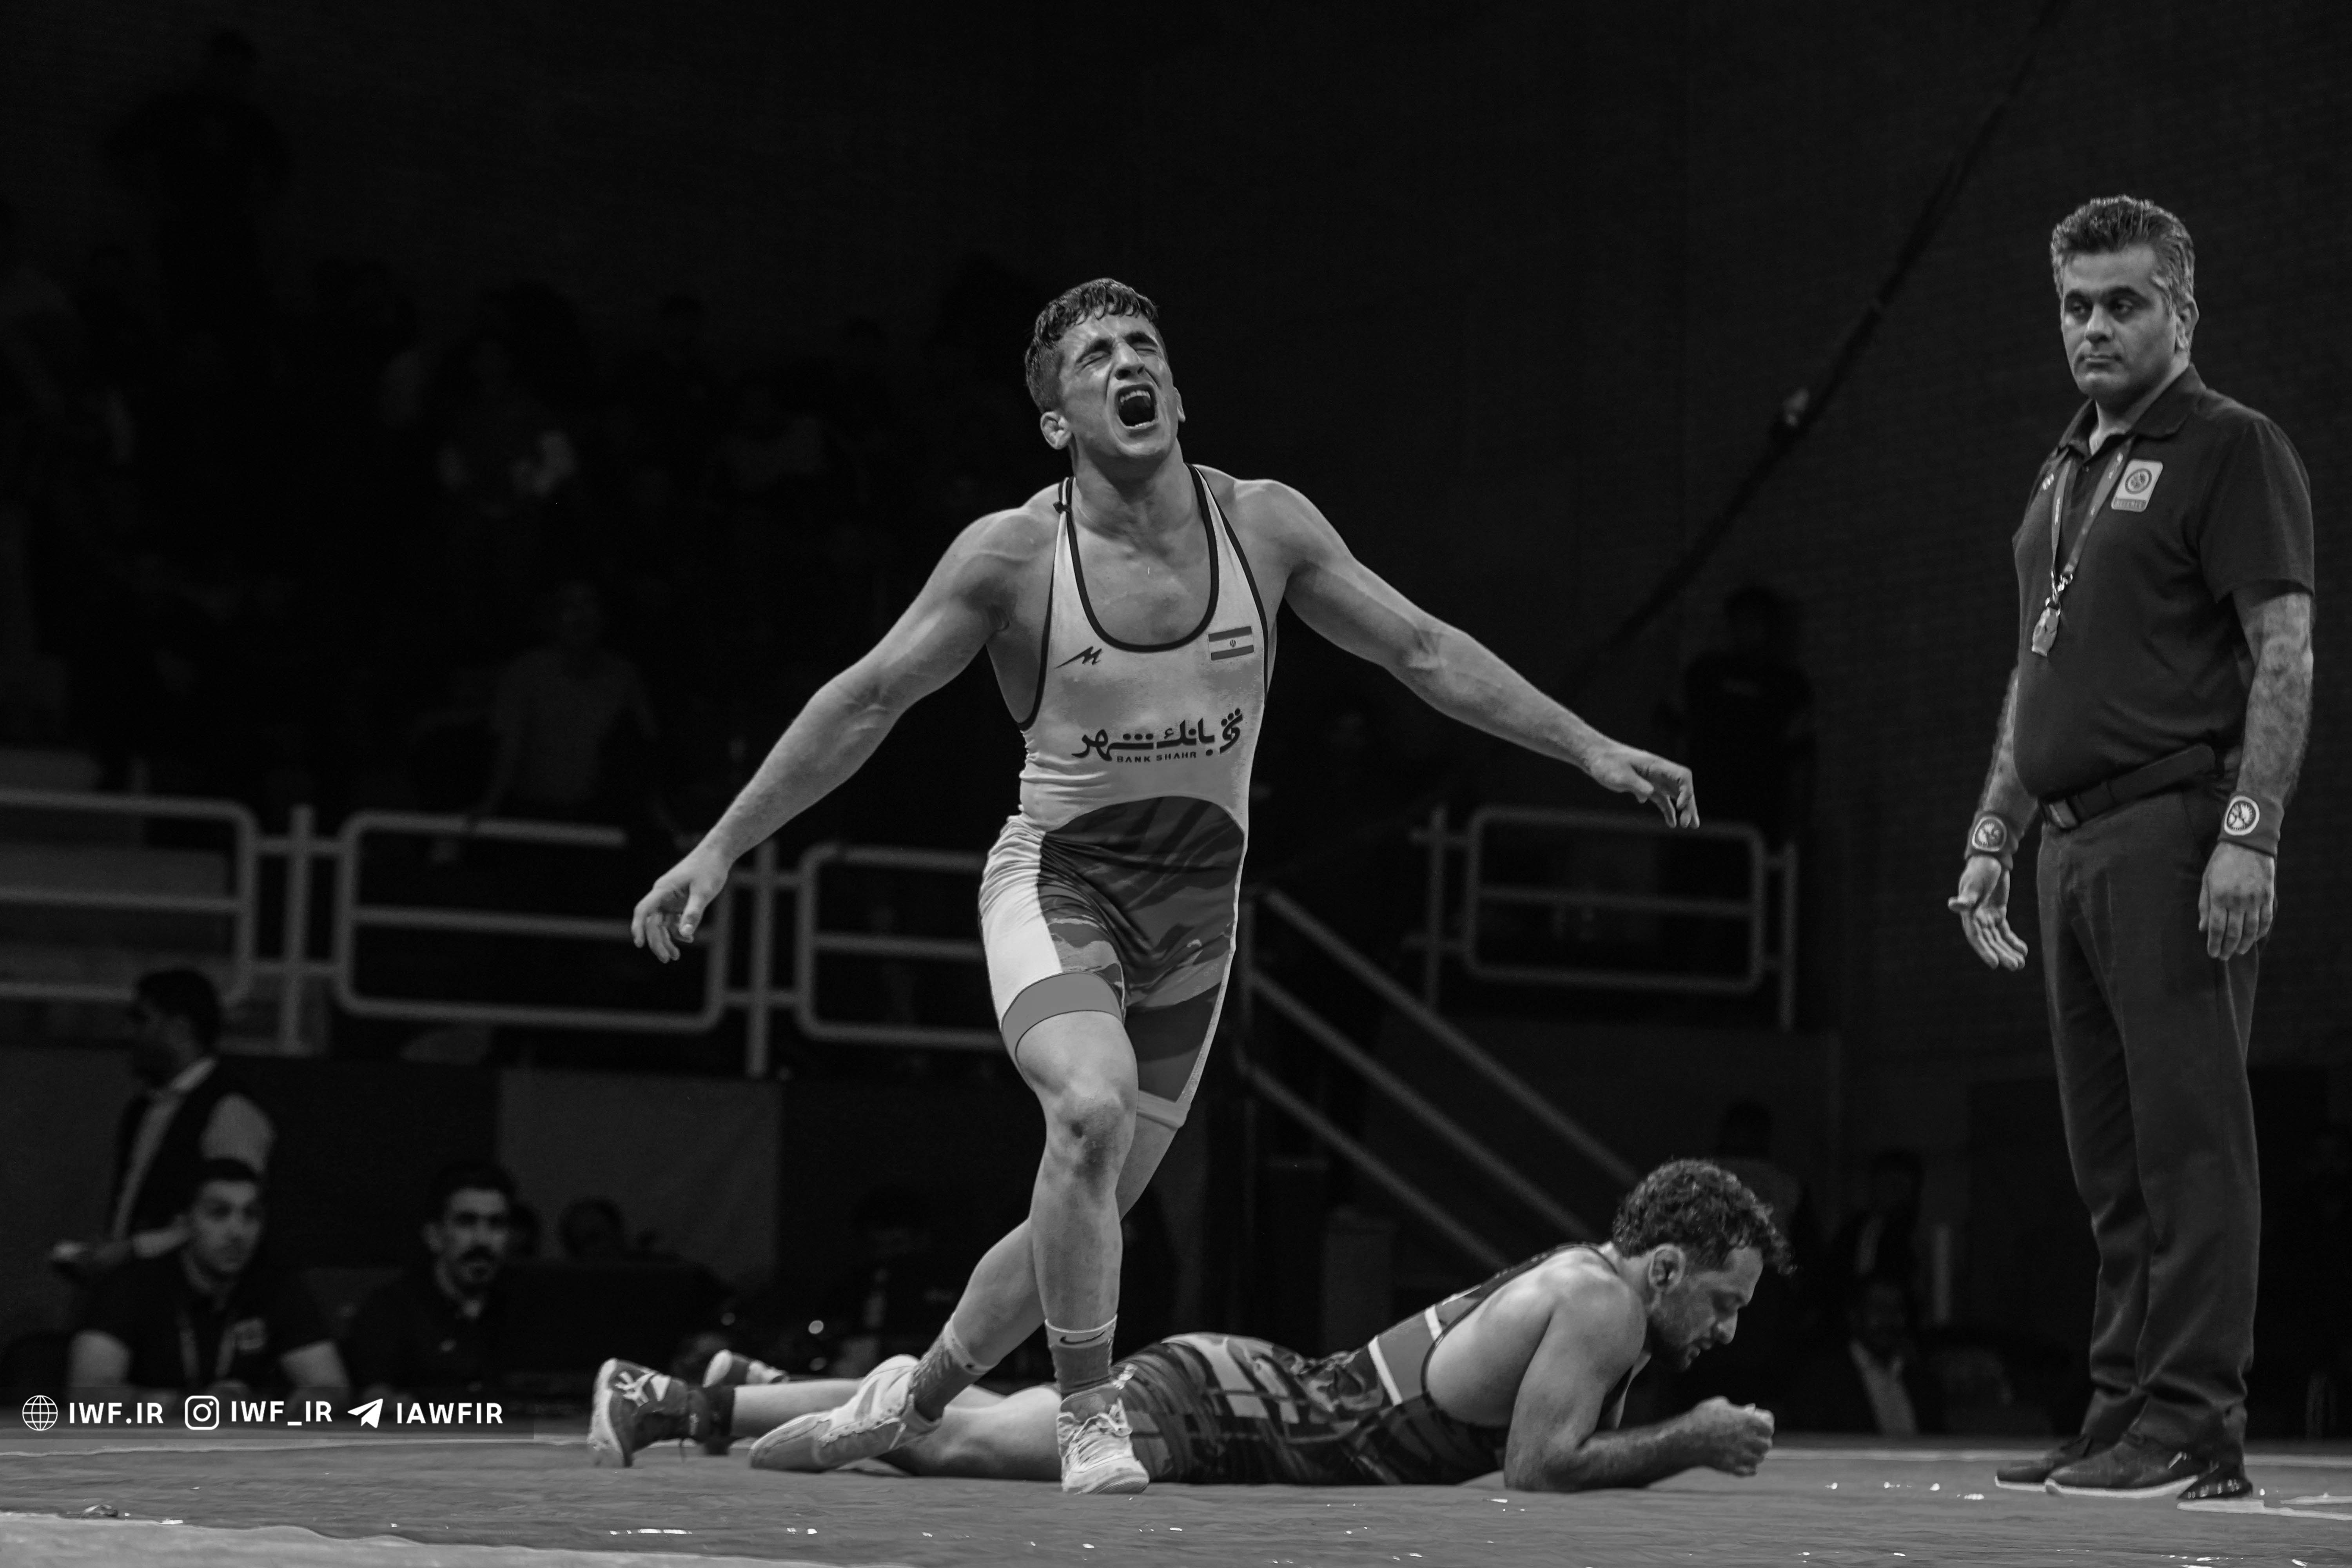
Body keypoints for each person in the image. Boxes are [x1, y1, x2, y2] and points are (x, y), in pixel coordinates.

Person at [623, 278, 1700, 1494]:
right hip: (1060, 887)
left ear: (1176, 393)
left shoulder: (1266, 527)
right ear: (1057, 422)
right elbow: (866, 700)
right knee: (1087, 1114)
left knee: (1081, 1211)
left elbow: (1422, 650)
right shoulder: (1010, 558)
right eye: (1094, 357)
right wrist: (720, 845)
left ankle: (908, 1398)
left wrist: (1588, 748)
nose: (1126, 363)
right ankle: (1091, 1414)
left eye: (1143, 345)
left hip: (1195, 923)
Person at [1948, 197, 2314, 1503]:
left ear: (2182, 311)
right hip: (2067, 845)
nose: (2094, 327)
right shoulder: (2063, 469)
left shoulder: (2230, 445)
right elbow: (2037, 673)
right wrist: (1995, 831)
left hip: (2172, 830)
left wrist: (2250, 834)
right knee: (2110, 1163)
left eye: (2124, 303)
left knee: (2190, 1147)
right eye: (2076, 305)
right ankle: (2120, 1415)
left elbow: (2284, 650)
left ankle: (2197, 1425)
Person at [590, 1160, 1784, 1492]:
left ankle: (689, 1396)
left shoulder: (1591, 1284)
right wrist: (1691, 1439)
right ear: (1664, 1264)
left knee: (983, 1418)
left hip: (1243, 1394)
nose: (1725, 1330)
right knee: (948, 1438)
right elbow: (1537, 1466)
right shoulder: (1600, 1303)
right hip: (1216, 1413)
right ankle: (713, 1397)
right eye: (1722, 1301)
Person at [50, 969, 273, 1281]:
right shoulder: (145, 1109)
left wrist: (132, 1250)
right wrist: (119, 1251)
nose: (130, 1033)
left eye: (142, 1020)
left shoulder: (230, 1112)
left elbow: (231, 1220)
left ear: (180, 1029)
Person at [67, 1158, 347, 1403]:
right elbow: (87, 1395)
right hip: (148, 1443)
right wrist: (193, 1406)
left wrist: (293, 1403)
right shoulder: (131, 1286)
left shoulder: (277, 1287)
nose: (237, 1232)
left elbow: (333, 1389)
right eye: (219, 1213)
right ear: (185, 1223)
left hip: (248, 1444)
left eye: (251, 1215)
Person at [343, 1162, 518, 1400]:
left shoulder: (529, 1310)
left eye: (496, 1224)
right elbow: (373, 1397)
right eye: (466, 1222)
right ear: (434, 1235)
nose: (482, 1240)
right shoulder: (390, 1311)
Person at [1786, 1276, 1944, 1437]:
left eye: (1897, 1309)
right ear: (1854, 1315)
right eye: (1879, 1309)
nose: (1889, 1319)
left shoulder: (1921, 1378)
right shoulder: (1823, 1380)